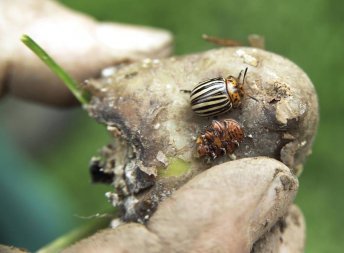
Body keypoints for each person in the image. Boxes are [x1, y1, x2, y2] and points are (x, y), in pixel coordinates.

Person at [0, 1, 304, 252]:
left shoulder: (224, 97)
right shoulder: (225, 102)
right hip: (206, 106)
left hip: (206, 105)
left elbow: (214, 106)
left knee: (23, 211)